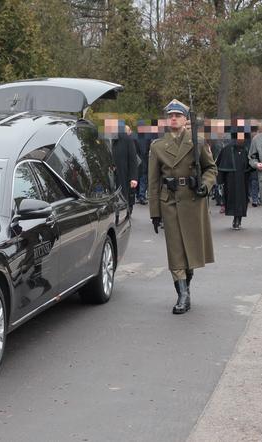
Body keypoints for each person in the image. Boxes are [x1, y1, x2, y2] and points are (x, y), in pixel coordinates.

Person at [148, 99, 217, 315]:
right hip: (170, 203)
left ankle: (186, 282)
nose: (174, 119)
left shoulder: (197, 142)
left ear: (186, 119)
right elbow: (152, 182)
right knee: (176, 251)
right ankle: (183, 295)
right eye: (170, 116)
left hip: (193, 202)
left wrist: (204, 186)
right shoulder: (157, 146)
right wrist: (154, 213)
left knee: (191, 254)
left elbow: (211, 169)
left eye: (178, 115)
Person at [216, 121, 253, 230]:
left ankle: (238, 219)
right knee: (232, 199)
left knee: (241, 200)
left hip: (243, 180)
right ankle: (236, 219)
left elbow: (251, 164)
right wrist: (220, 180)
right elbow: (220, 165)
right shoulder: (226, 149)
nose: (240, 139)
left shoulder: (247, 150)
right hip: (230, 180)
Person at [107, 119, 139, 214]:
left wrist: (134, 178)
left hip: (123, 174)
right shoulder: (105, 140)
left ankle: (125, 212)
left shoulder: (126, 139)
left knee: (123, 195)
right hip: (109, 174)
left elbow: (133, 159)